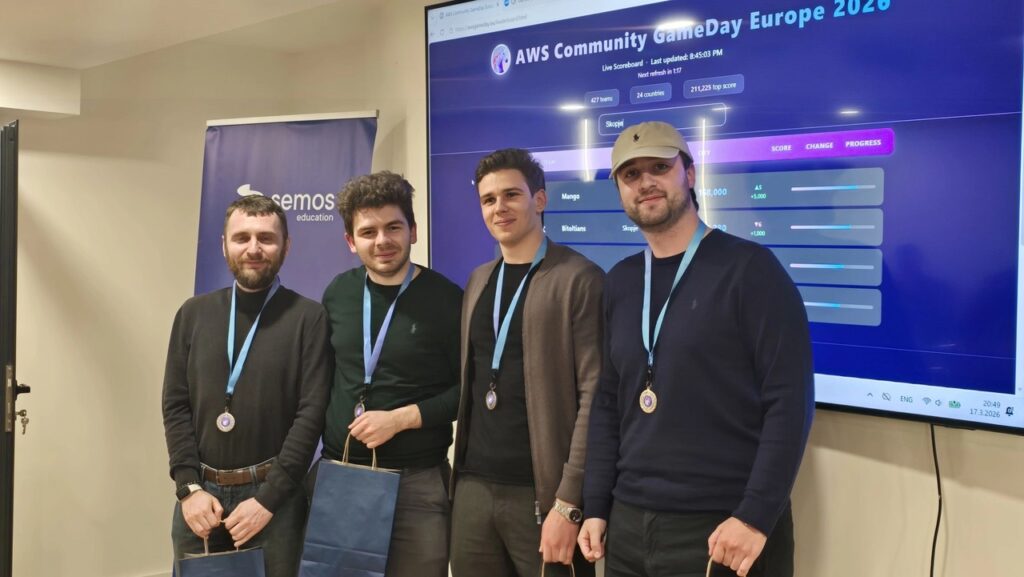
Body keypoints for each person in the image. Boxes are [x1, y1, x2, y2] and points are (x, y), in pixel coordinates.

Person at [578, 121, 815, 577]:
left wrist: (755, 516)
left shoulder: (750, 270)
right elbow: (609, 401)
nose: (645, 182)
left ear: (689, 173)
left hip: (722, 527)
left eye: (659, 167)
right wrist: (595, 504)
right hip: (628, 526)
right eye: (631, 174)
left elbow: (790, 401)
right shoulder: (621, 281)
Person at [450, 148, 604, 577]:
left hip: (542, 495)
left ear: (539, 199)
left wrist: (569, 501)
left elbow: (594, 395)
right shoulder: (479, 280)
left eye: (511, 195)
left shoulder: (579, 278)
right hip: (473, 486)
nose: (499, 208)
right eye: (488, 199)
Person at [162, 195, 331, 577]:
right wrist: (188, 488)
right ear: (224, 245)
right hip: (200, 501)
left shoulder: (309, 318)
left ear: (286, 246)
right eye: (242, 238)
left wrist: (268, 499)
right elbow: (175, 406)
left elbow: (311, 414)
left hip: (275, 502)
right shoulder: (193, 314)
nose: (254, 248)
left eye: (266, 238)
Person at [318, 171, 462, 577]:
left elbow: (468, 391)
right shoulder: (338, 293)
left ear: (413, 231)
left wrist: (400, 419)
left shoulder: (448, 299)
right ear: (351, 241)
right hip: (343, 477)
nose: (382, 240)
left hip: (417, 485)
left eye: (393, 227)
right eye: (368, 231)